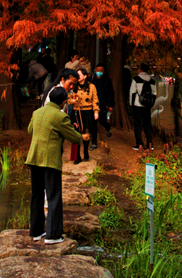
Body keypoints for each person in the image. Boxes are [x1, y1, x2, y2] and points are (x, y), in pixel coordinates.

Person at [25, 87, 83, 243]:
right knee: (53, 196)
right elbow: (75, 139)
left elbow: (30, 129)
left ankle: (36, 231)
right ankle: (53, 235)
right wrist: (78, 132)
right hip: (49, 161)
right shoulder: (60, 116)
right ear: (64, 102)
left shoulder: (37, 113)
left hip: (34, 158)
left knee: (36, 195)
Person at [68, 67, 99, 161]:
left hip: (87, 112)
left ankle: (85, 151)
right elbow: (68, 99)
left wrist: (96, 112)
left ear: (85, 76)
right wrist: (72, 101)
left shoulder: (92, 86)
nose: (78, 77)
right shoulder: (73, 86)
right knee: (76, 134)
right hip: (76, 112)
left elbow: (95, 100)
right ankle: (77, 156)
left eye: (79, 75)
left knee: (86, 135)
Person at [129, 62, 155, 151]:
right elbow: (154, 94)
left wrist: (131, 104)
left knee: (137, 125)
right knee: (147, 124)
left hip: (137, 105)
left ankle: (139, 144)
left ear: (140, 70)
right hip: (147, 106)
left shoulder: (136, 79)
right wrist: (151, 104)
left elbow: (132, 92)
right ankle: (150, 143)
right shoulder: (152, 81)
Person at [93, 63, 115, 138]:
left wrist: (111, 105)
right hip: (92, 103)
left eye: (101, 71)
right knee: (93, 121)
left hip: (103, 103)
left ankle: (107, 128)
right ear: (95, 70)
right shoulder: (92, 79)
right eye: (98, 70)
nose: (99, 72)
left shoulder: (107, 80)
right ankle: (94, 138)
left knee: (102, 120)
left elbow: (111, 93)